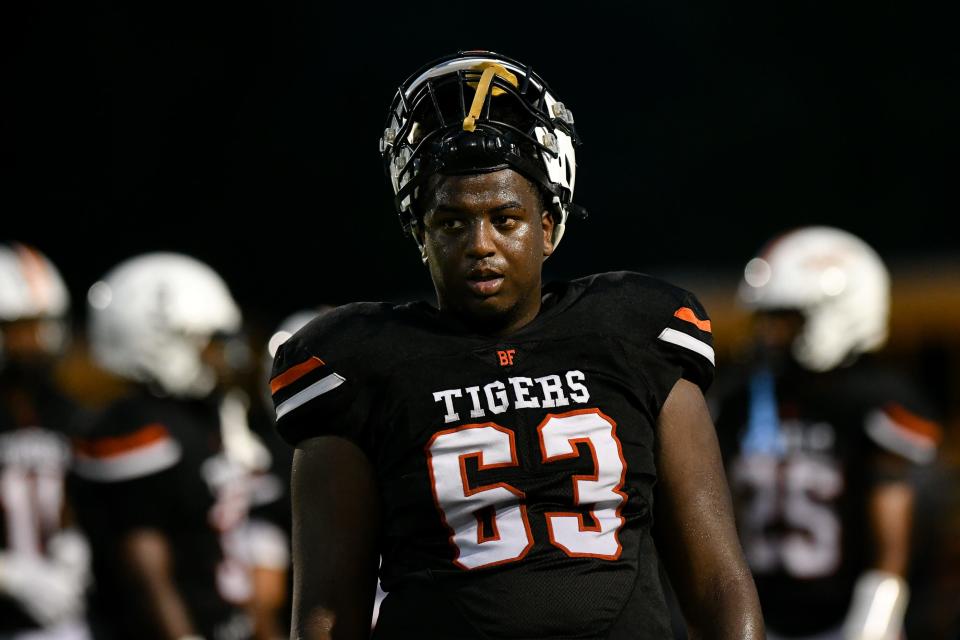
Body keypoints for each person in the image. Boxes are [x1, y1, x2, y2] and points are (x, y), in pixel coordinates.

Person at [270, 51, 762, 639]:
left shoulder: (633, 331)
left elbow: (717, 581)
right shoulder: (357, 363)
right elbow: (326, 613)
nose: (481, 244)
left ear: (548, 225)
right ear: (418, 233)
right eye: (451, 223)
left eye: (506, 219)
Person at [710, 226, 942, 640]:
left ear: (841, 311)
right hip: (762, 615)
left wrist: (874, 618)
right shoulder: (742, 396)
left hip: (846, 620)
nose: (769, 333)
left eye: (786, 319)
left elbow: (894, 525)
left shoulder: (875, 400)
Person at [70, 252, 267, 640]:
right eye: (206, 340)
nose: (220, 355)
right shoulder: (133, 427)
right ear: (157, 340)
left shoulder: (203, 414)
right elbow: (145, 569)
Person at [0, 242, 92, 640]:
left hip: (64, 621)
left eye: (41, 324)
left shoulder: (61, 409)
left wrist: (74, 547)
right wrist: (10, 577)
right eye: (20, 327)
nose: (36, 341)